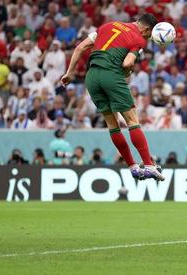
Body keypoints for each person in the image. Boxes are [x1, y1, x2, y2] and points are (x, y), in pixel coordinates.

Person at [60, 14, 164, 181]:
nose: (147, 38)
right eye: (149, 34)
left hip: (92, 77)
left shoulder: (108, 25)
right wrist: (128, 72)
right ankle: (149, 165)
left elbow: (80, 48)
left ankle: (132, 166)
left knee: (112, 124)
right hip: (112, 76)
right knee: (132, 121)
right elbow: (127, 63)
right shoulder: (138, 39)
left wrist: (69, 73)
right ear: (146, 29)